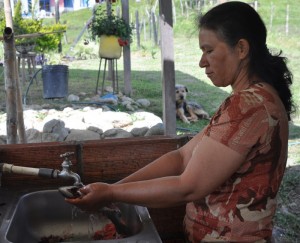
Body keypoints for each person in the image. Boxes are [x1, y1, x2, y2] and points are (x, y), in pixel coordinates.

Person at [66, 1, 295, 242]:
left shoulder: (247, 105)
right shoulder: (256, 98)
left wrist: (112, 192)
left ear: (241, 49)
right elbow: (181, 157)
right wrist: (112, 191)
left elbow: (188, 186)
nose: (201, 62)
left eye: (208, 50)